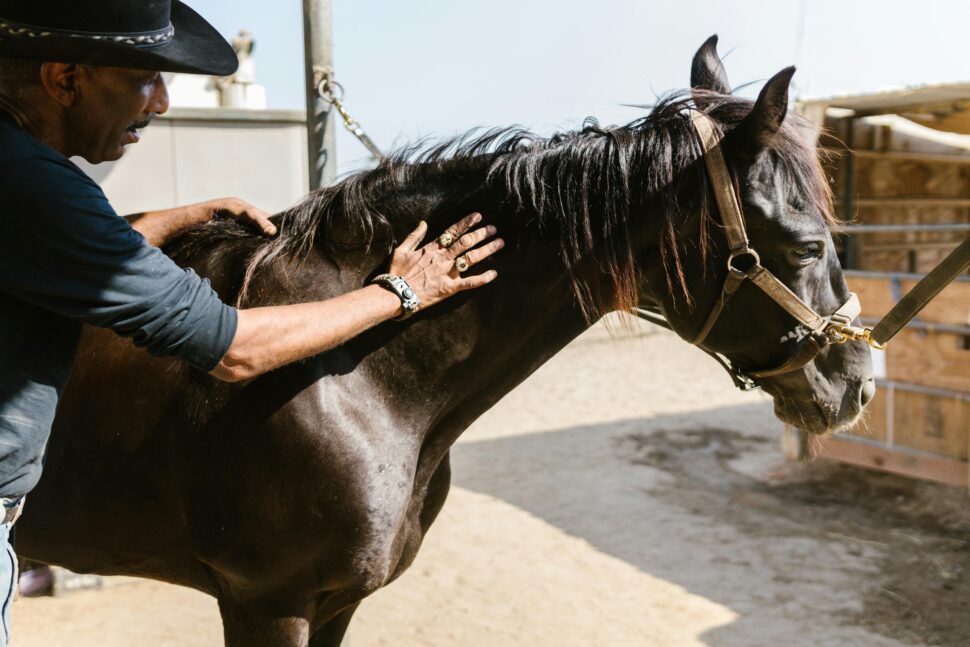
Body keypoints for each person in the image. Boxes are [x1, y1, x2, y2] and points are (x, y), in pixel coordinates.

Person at [0, 1, 503, 643]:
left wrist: (171, 221)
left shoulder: (18, 170)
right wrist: (402, 290)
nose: (158, 102)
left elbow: (52, 247)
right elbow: (231, 347)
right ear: (65, 77)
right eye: (142, 78)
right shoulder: (35, 185)